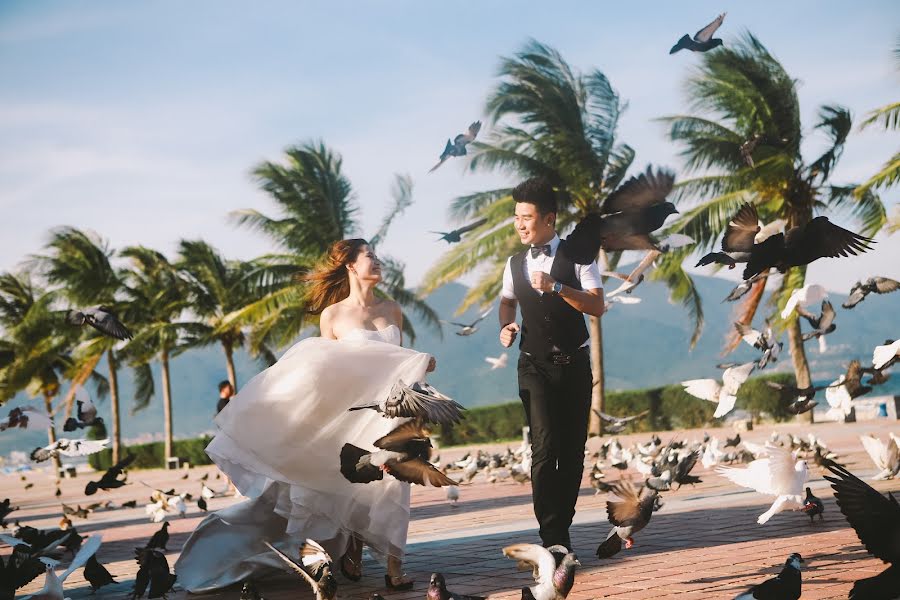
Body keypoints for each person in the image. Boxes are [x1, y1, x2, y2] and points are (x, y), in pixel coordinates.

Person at [176, 238, 434, 592]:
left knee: (397, 484)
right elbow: (324, 370)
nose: (377, 261)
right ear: (351, 266)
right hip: (354, 413)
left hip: (391, 411)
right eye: (369, 256)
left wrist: (420, 362)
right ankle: (354, 555)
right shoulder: (333, 315)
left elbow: (398, 361)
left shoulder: (392, 310)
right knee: (357, 487)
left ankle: (395, 567)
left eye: (376, 255)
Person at [498, 177, 605, 550]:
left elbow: (597, 306)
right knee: (543, 448)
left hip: (574, 364)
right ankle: (553, 537)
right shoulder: (513, 264)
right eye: (517, 218)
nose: (520, 225)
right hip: (533, 365)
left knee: (572, 451)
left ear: (549, 218)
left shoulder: (580, 256)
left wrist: (558, 287)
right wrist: (505, 327)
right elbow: (507, 302)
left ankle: (561, 525)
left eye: (527, 217)